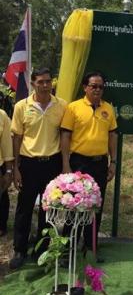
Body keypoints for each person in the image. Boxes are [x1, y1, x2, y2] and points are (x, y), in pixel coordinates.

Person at [9, 68, 66, 269]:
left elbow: (65, 136)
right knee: (24, 208)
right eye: (40, 82)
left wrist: (64, 166)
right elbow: (17, 138)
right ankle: (20, 249)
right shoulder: (21, 106)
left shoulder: (62, 106)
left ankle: (42, 249)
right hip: (28, 163)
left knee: (47, 209)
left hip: (52, 163)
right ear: (33, 84)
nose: (45, 85)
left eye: (48, 81)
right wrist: (15, 168)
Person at [60, 71, 117, 262]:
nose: (97, 90)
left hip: (100, 164)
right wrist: (65, 163)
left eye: (101, 87)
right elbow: (65, 135)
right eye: (93, 86)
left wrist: (113, 162)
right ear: (85, 87)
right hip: (78, 163)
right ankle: (68, 249)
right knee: (74, 205)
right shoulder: (73, 108)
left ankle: (90, 247)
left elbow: (113, 135)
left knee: (95, 207)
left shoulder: (108, 109)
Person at [0, 107, 13, 237]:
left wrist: (9, 171)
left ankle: (1, 225)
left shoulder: (2, 115)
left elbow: (7, 145)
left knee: (2, 195)